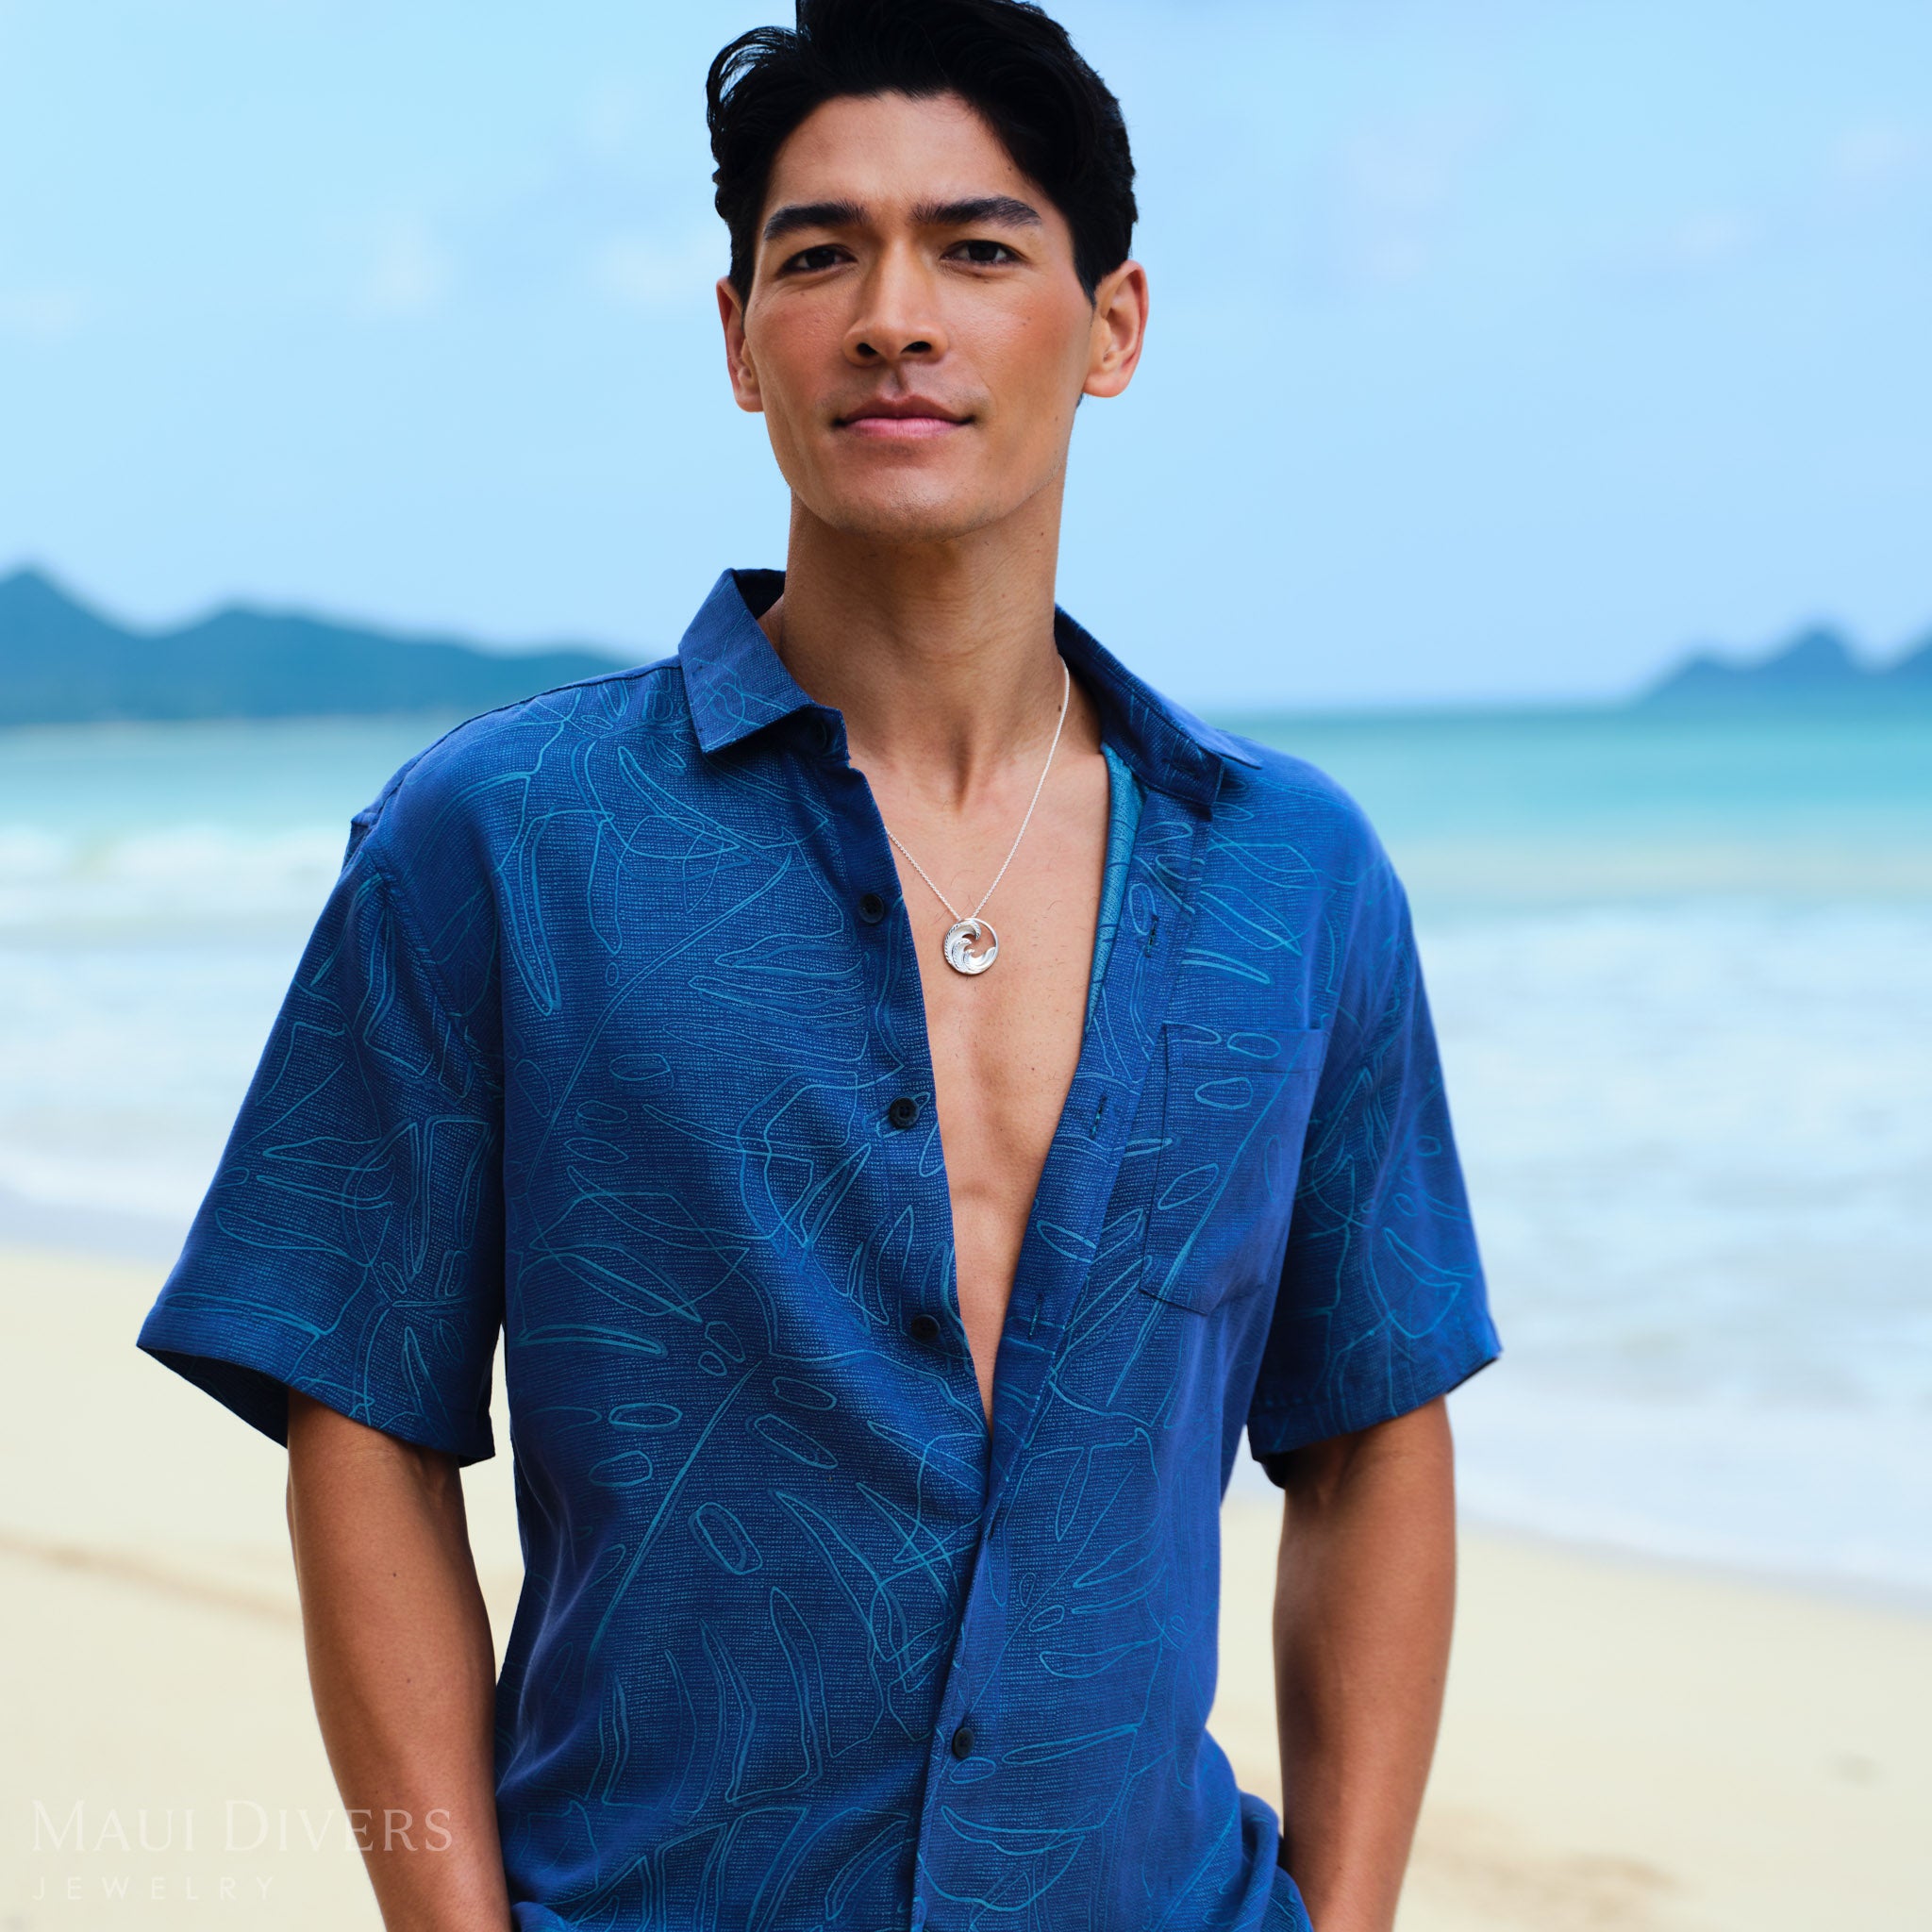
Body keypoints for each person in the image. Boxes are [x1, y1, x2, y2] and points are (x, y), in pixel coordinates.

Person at [135, 3, 1501, 1926]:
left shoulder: (1296, 878)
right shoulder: (500, 842)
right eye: (818, 253)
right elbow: (363, 1423)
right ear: (735, 335)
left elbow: (1369, 1431)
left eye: (977, 246)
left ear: (1111, 326)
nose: (893, 314)